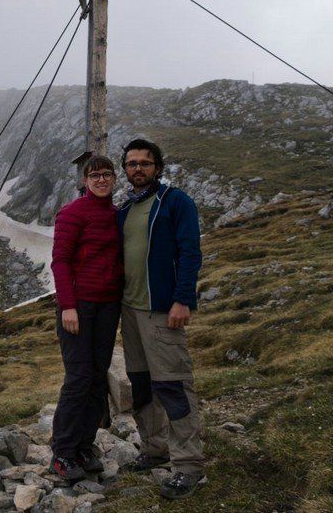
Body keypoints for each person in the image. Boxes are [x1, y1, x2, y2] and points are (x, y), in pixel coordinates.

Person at [117, 138, 206, 500]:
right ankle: (154, 450)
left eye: (145, 163)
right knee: (141, 385)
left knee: (172, 384)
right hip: (130, 310)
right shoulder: (125, 208)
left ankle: (188, 466)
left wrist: (183, 299)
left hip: (161, 310)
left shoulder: (175, 202)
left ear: (158, 167)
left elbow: (190, 252)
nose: (138, 168)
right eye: (132, 163)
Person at [49, 155, 124, 481]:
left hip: (108, 306)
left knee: (96, 376)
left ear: (114, 179)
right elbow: (60, 262)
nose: (101, 180)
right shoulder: (72, 213)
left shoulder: (116, 214)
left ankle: (84, 445)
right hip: (79, 306)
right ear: (85, 180)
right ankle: (62, 452)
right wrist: (68, 306)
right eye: (95, 175)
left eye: (107, 174)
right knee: (79, 377)